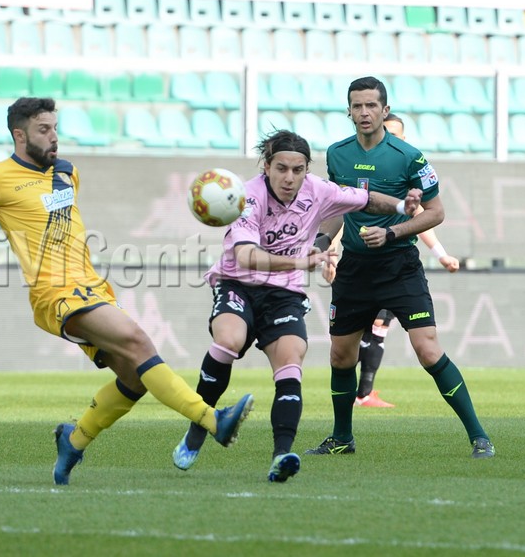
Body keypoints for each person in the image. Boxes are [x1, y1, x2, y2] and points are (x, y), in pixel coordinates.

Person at [0, 97, 255, 485]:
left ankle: (74, 440)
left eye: (55, 128)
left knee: (135, 377)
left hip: (92, 288)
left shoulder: (67, 173)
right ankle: (212, 420)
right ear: (20, 135)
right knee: (138, 342)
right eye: (43, 130)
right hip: (55, 295)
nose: (53, 136)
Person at [171, 129, 422, 483]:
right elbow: (246, 255)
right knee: (228, 340)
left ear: (306, 170)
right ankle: (198, 429)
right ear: (267, 166)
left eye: (298, 169)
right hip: (238, 284)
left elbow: (364, 199)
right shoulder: (246, 197)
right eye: (282, 168)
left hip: (284, 293)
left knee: (291, 360)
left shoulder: (318, 189)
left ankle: (281, 456)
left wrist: (400, 207)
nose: (289, 178)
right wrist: (299, 262)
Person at [306, 76, 495, 458]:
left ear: (385, 110)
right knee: (341, 356)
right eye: (357, 105)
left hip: (399, 266)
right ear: (348, 111)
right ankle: (342, 438)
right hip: (355, 268)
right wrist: (322, 243)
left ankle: (479, 436)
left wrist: (392, 233)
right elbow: (338, 208)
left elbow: (436, 212)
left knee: (428, 350)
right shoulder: (337, 154)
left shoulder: (409, 157)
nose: (364, 112)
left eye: (371, 105)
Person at [351, 113, 461, 408]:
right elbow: (341, 212)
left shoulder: (404, 173)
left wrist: (441, 255)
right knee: (358, 336)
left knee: (378, 328)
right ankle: (361, 396)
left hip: (394, 266)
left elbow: (422, 219)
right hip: (361, 265)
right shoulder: (359, 170)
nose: (391, 139)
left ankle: (363, 393)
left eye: (396, 135)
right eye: (387, 132)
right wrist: (331, 251)